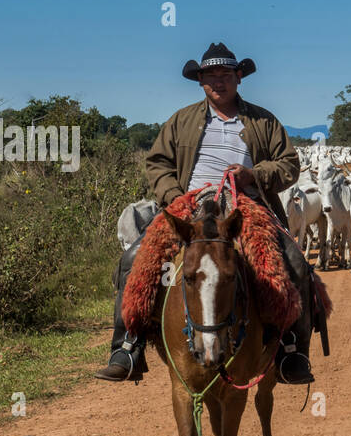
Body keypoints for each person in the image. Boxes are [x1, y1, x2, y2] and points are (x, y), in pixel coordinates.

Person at [94, 42, 317, 384]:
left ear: (239, 77)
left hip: (243, 205)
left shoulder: (263, 120)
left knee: (293, 262)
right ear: (200, 81)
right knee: (135, 259)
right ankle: (127, 346)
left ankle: (292, 350)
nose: (218, 81)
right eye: (210, 76)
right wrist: (176, 196)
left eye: (225, 74)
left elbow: (289, 165)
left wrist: (254, 176)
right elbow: (157, 163)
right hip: (190, 204)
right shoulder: (181, 120)